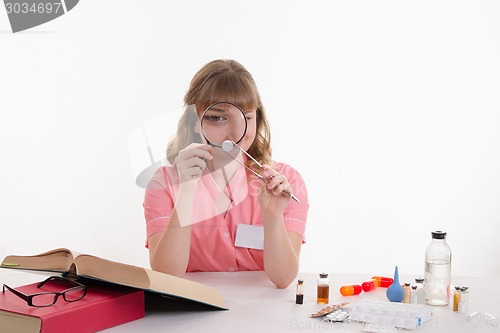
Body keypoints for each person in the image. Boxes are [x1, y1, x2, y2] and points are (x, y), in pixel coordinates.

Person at [143, 59, 308, 289]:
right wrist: (187, 191)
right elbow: (167, 275)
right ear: (194, 121)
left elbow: (283, 278)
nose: (235, 132)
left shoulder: (286, 182)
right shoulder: (163, 184)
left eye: (247, 118)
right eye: (218, 117)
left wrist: (272, 217)